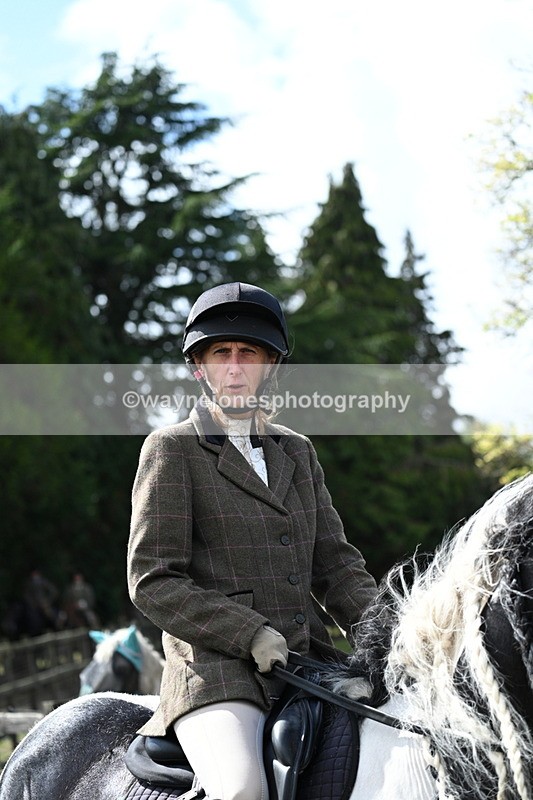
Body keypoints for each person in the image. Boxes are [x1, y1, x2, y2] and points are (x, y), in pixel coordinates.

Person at [127, 282, 378, 800]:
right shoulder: (171, 450)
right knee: (243, 792)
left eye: (249, 354)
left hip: (311, 662)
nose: (236, 367)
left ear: (270, 367)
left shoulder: (298, 452)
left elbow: (337, 567)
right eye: (222, 353)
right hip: (220, 673)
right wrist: (249, 634)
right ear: (200, 367)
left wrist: (391, 637)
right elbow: (153, 579)